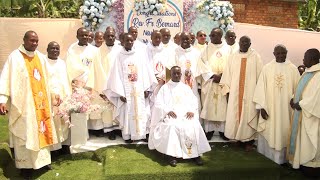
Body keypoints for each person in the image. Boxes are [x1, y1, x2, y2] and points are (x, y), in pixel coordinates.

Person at [0, 31, 59, 179]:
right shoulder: (14, 57)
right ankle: (25, 166)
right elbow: (6, 79)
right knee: (25, 135)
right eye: (32, 40)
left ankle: (43, 161)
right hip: (24, 105)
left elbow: (49, 78)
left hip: (41, 104)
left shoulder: (41, 58)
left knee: (42, 130)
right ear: (24, 40)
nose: (34, 43)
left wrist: (54, 93)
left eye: (36, 41)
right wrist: (2, 99)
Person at [148, 66, 211, 167]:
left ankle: (194, 154)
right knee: (172, 126)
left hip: (185, 115)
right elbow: (158, 103)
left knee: (193, 124)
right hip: (171, 116)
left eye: (178, 73)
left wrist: (191, 110)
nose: (176, 75)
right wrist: (167, 111)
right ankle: (172, 155)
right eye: (174, 73)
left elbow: (193, 101)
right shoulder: (165, 88)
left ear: (181, 75)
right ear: (171, 74)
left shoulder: (185, 88)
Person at [104, 33, 157, 143]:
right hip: (126, 91)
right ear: (122, 42)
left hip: (140, 89)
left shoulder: (140, 54)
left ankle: (144, 133)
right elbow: (115, 75)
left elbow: (146, 71)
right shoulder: (119, 56)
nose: (129, 42)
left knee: (143, 111)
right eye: (127, 41)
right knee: (127, 112)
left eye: (131, 40)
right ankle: (128, 135)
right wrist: (120, 93)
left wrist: (147, 89)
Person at [253, 45, 300, 164]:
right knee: (271, 128)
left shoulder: (293, 69)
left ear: (286, 53)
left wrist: (294, 99)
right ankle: (269, 156)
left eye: (283, 53)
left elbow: (299, 88)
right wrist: (261, 107)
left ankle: (285, 158)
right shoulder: (267, 68)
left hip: (287, 109)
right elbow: (261, 89)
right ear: (274, 53)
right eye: (278, 53)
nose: (280, 55)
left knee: (285, 130)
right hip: (270, 107)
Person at [220, 36, 263, 150]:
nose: (244, 44)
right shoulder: (233, 57)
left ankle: (248, 140)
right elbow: (227, 73)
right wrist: (227, 89)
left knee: (249, 113)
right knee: (234, 114)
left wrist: (259, 93)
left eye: (246, 42)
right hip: (235, 92)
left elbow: (260, 76)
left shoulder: (255, 57)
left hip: (250, 93)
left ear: (250, 44)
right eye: (242, 42)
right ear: (238, 43)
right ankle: (235, 138)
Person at [66, 27, 107, 137]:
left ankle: (96, 129)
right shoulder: (72, 49)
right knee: (80, 105)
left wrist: (99, 81)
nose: (84, 37)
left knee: (94, 105)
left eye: (86, 35)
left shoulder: (94, 50)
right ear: (77, 36)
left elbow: (98, 66)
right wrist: (79, 77)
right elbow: (70, 65)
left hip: (91, 81)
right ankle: (82, 131)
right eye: (82, 35)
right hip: (78, 82)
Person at [288, 48, 320, 177]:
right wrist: (293, 97)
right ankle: (300, 162)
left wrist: (299, 104)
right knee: (301, 140)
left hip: (311, 116)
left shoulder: (318, 75)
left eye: (305, 57)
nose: (303, 60)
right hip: (301, 114)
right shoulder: (308, 72)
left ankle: (312, 166)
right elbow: (301, 90)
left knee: (309, 141)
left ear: (312, 59)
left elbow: (316, 98)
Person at [199, 27, 230, 140]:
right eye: (211, 35)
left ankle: (222, 131)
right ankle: (210, 130)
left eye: (213, 35)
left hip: (223, 82)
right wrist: (212, 75)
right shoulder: (206, 49)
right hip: (211, 81)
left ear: (220, 36)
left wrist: (223, 77)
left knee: (223, 107)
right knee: (209, 106)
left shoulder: (228, 49)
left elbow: (231, 65)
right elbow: (201, 63)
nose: (210, 37)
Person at [45, 41, 72, 154]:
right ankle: (54, 149)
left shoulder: (62, 63)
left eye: (57, 48)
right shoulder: (43, 63)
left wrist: (66, 96)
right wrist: (52, 95)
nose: (55, 51)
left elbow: (65, 79)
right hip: (50, 99)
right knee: (53, 124)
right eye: (52, 48)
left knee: (64, 123)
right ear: (47, 49)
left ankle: (64, 145)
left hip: (62, 98)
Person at [99, 27, 122, 140]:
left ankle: (119, 128)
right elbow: (97, 70)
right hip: (105, 85)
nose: (110, 38)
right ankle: (109, 130)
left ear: (115, 37)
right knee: (107, 109)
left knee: (119, 107)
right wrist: (102, 88)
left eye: (112, 36)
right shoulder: (98, 51)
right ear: (104, 37)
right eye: (108, 36)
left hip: (117, 85)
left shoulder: (120, 49)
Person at [173, 32, 201, 107]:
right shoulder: (174, 52)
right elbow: (170, 68)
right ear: (179, 40)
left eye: (187, 39)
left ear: (191, 40)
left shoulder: (196, 53)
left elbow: (201, 69)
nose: (185, 41)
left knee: (193, 104)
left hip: (193, 84)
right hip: (178, 84)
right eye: (183, 39)